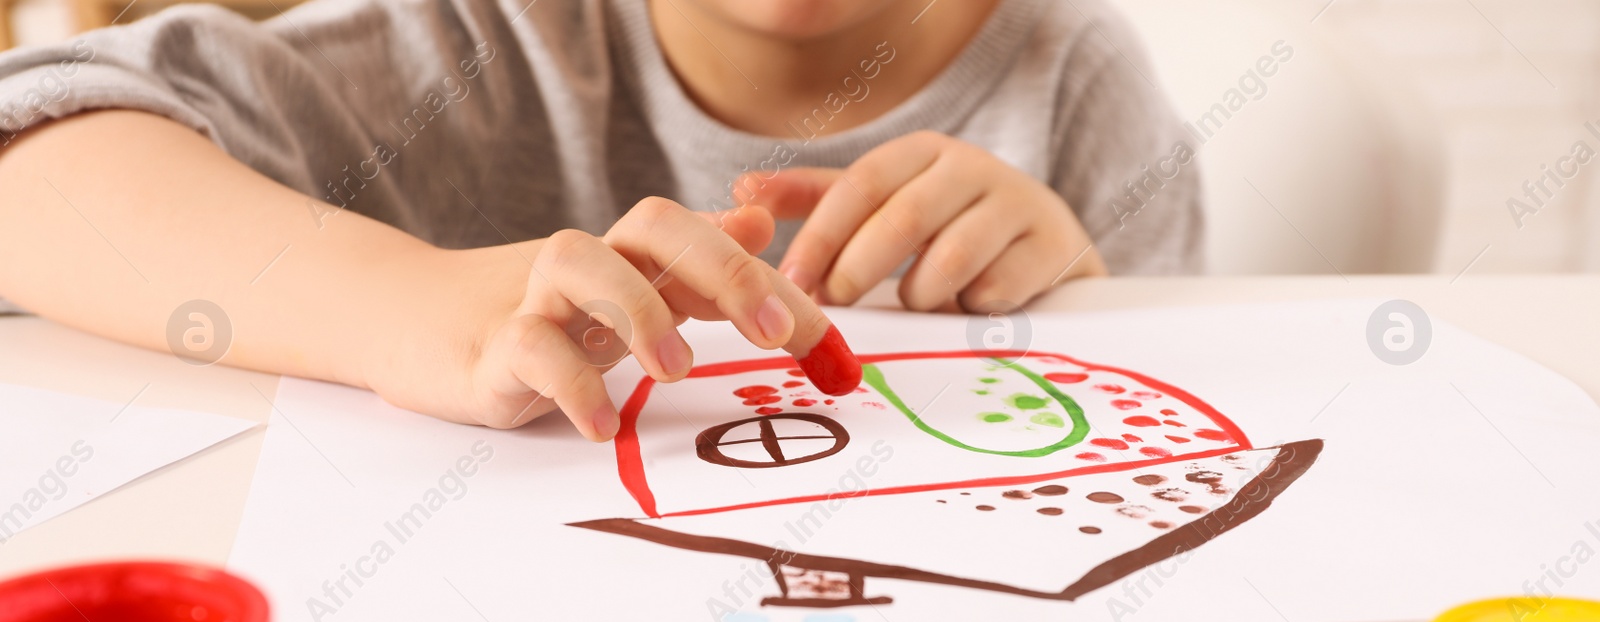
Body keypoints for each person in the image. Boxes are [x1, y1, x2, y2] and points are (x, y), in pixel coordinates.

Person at [0, 0, 1202, 440]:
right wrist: (411, 305)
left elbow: (1175, 414)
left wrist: (1074, 286)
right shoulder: (482, 41)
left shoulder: (1073, 75)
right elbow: (27, 138)